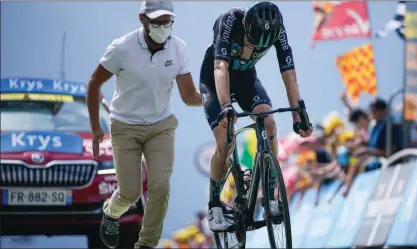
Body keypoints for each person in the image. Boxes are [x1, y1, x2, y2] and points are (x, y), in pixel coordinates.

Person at [86, 1, 202, 248]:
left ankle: (147, 243)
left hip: (161, 125)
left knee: (160, 187)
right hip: (125, 126)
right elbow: (94, 83)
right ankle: (111, 213)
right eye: (157, 21)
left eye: (167, 21)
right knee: (130, 194)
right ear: (142, 19)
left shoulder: (179, 48)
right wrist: (96, 128)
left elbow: (189, 95)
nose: (163, 26)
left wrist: (213, 100)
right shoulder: (121, 47)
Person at [199, 1, 312, 231]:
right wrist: (225, 105)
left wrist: (299, 113)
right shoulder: (230, 20)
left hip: (246, 80)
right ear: (246, 25)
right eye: (250, 41)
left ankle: (270, 195)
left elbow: (289, 75)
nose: (253, 48)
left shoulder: (278, 30)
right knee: (225, 141)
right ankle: (214, 205)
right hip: (215, 79)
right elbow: (220, 66)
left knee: (269, 123)